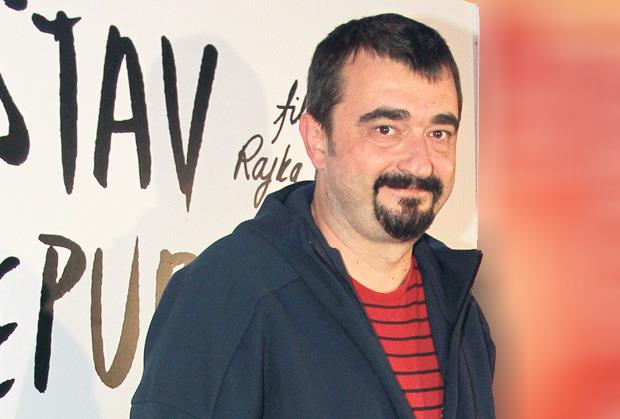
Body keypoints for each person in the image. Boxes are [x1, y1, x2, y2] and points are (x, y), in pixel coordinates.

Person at [131, 13, 495, 419]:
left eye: (438, 134)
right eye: (386, 130)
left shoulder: (459, 308)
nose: (420, 163)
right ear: (317, 139)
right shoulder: (225, 295)